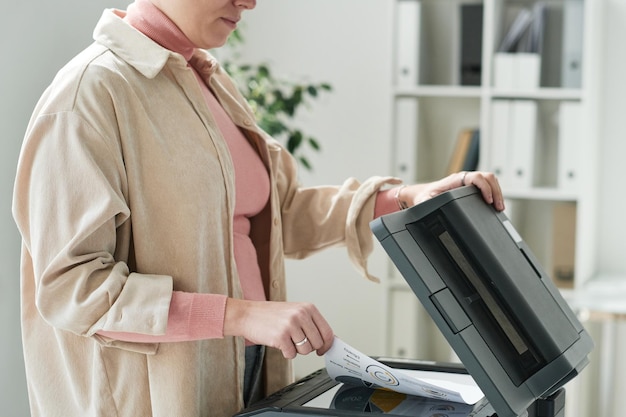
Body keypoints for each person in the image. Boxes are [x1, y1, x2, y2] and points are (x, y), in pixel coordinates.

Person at [11, 0, 504, 416]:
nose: (250, 2)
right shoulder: (88, 95)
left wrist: (402, 197)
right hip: (155, 391)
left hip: (247, 366)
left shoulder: (205, 79)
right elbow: (70, 288)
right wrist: (239, 315)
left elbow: (280, 213)